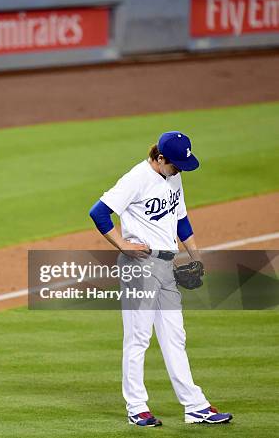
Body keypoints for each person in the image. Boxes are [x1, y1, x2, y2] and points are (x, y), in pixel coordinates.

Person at [89, 132, 233, 427]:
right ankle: (137, 407)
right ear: (160, 158)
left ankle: (195, 406)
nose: (179, 169)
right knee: (139, 337)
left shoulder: (173, 177)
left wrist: (196, 255)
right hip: (139, 266)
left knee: (174, 336)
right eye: (175, 164)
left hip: (166, 267)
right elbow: (99, 212)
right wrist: (123, 245)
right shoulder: (136, 178)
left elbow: (181, 218)